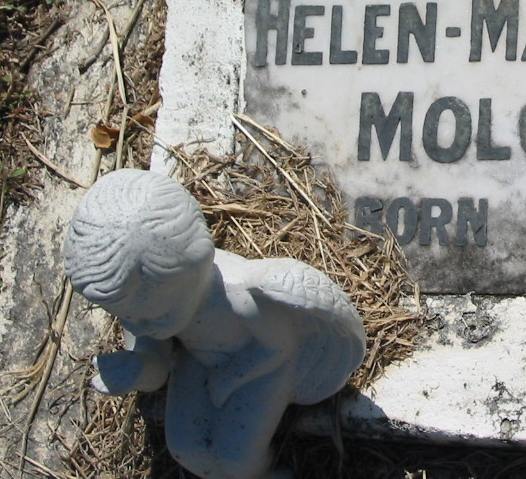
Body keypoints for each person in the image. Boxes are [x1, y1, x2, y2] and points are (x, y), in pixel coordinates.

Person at [64, 168, 366, 479]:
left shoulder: (241, 301)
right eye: (127, 317)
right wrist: (139, 369)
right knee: (186, 450)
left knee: (235, 458)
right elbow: (158, 368)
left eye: (150, 318)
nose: (137, 328)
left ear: (192, 274)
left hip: (261, 366)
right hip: (200, 359)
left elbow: (279, 348)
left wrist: (229, 378)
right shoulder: (156, 302)